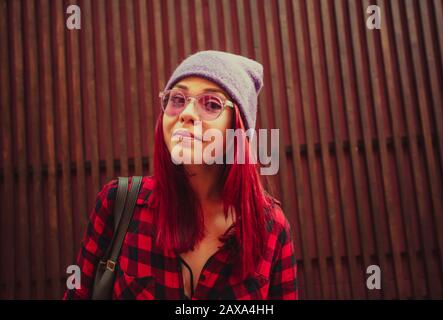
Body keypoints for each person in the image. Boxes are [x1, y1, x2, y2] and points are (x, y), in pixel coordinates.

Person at [64, 50, 298, 300]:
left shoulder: (271, 228)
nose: (186, 113)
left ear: (237, 130)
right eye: (177, 99)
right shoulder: (119, 204)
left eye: (211, 104)